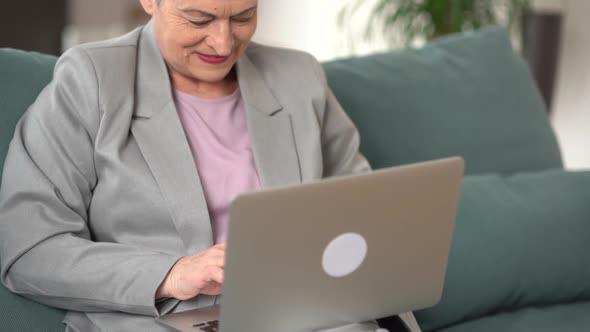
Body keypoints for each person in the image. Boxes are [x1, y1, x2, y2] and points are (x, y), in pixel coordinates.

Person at [0, 0, 421, 331]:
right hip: (159, 320)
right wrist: (172, 274)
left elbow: (363, 213)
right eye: (199, 19)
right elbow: (30, 248)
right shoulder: (90, 80)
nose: (223, 43)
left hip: (304, 310)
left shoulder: (300, 79)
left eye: (243, 16)